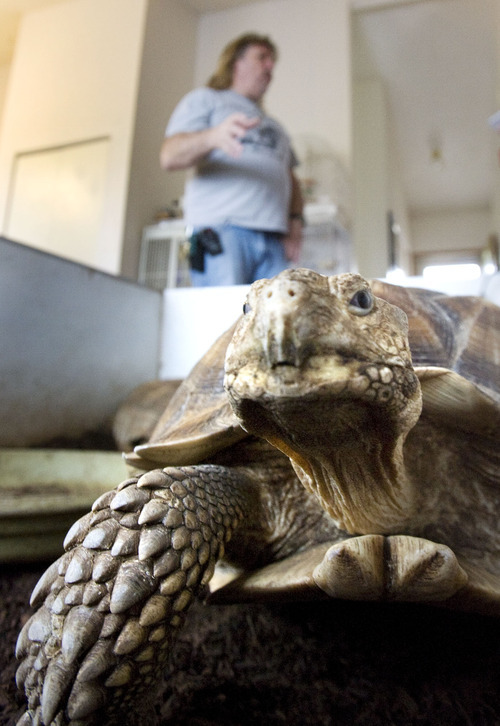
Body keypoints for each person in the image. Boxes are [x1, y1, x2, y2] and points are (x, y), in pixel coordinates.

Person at [160, 32, 304, 286]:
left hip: (274, 242)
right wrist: (212, 137)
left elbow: (291, 179)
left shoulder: (275, 126)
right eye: (262, 58)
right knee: (222, 319)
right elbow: (169, 155)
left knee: (278, 321)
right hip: (221, 234)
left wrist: (295, 224)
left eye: (272, 61)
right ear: (236, 62)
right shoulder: (207, 99)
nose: (270, 67)